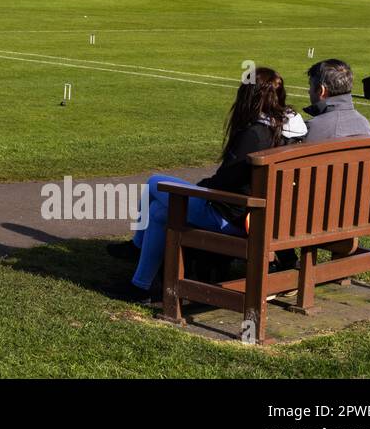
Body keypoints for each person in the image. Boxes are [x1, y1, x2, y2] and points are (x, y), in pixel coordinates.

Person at [107, 67, 307, 300]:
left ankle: (137, 248)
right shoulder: (290, 129)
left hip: (235, 217)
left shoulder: (255, 133)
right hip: (264, 217)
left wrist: (203, 186)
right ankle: (141, 285)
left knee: (154, 183)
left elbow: (224, 182)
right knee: (159, 212)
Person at [302, 59, 370, 143]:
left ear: (322, 91)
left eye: (310, 86)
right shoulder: (364, 124)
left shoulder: (312, 128)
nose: (309, 91)